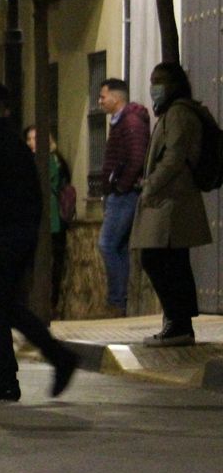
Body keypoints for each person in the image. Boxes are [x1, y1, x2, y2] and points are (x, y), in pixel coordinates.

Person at [0, 81, 78, 402]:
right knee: (1, 307)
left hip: (1, 238)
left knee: (0, 306)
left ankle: (52, 360)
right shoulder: (15, 143)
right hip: (19, 234)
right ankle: (8, 377)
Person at [131, 62, 212, 347]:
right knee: (172, 262)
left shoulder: (178, 113)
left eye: (160, 80)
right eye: (153, 80)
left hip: (171, 200)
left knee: (157, 259)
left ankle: (178, 323)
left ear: (174, 83)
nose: (154, 86)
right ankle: (179, 323)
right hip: (170, 199)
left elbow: (175, 156)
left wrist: (151, 184)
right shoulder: (173, 112)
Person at [97, 77, 150, 315]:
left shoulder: (130, 122)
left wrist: (120, 186)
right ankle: (119, 301)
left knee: (107, 244)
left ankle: (117, 301)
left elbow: (136, 158)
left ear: (116, 98)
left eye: (103, 96)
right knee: (116, 247)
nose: (100, 101)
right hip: (118, 192)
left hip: (124, 194)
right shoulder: (121, 123)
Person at [26, 125, 72, 314]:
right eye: (29, 139)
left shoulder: (50, 160)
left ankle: (47, 305)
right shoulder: (43, 160)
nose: (31, 143)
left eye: (35, 138)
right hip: (45, 220)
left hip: (50, 221)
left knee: (49, 264)